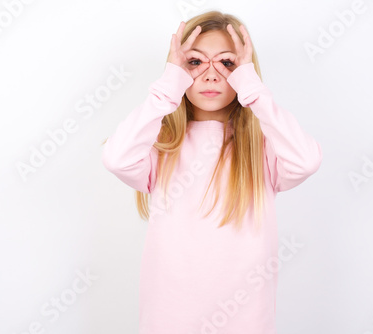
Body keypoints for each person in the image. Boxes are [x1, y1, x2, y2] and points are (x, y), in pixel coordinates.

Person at [102, 10, 322, 334]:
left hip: (246, 320)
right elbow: (117, 158)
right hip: (169, 318)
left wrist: (253, 90)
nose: (210, 74)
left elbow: (306, 160)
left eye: (227, 63)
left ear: (244, 73)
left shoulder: (261, 148)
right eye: (195, 62)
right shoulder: (160, 145)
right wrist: (168, 88)